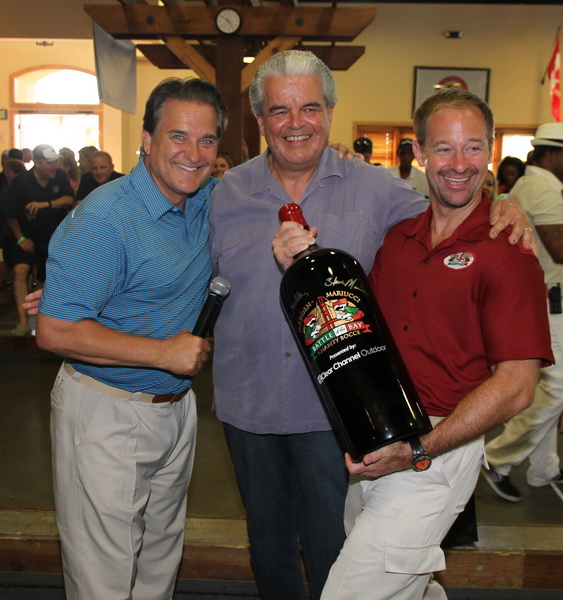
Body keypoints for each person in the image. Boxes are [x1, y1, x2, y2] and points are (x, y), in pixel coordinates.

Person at [209, 50, 534, 600]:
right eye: (280, 110)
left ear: (330, 112)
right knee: (269, 547)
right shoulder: (224, 194)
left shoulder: (378, 191)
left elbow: (452, 204)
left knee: (339, 554)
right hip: (248, 404)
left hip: (337, 415)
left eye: (310, 108)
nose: (295, 123)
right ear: (259, 119)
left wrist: (506, 203)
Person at [33, 78, 227, 600]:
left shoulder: (208, 198)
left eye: (207, 140)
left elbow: (267, 183)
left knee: (160, 561)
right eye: (178, 136)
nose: (193, 153)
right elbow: (54, 329)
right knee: (105, 578)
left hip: (175, 409)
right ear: (147, 139)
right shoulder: (105, 218)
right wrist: (164, 353)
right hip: (107, 411)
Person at [484, 122, 563, 501]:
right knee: (556, 389)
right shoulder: (543, 189)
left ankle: (544, 466)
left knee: (551, 387)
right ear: (551, 154)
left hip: (543, 299)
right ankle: (497, 457)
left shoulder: (534, 185)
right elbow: (559, 249)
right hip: (549, 303)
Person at [6, 144, 74, 336]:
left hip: (52, 238)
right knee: (20, 271)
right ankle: (22, 322)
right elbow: (10, 215)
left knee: (47, 279)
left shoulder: (60, 177)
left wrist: (45, 204)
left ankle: (42, 321)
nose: (54, 166)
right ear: (37, 163)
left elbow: (69, 199)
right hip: (26, 237)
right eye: (49, 162)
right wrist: (21, 239)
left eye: (55, 161)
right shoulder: (21, 182)